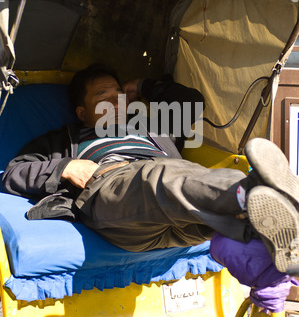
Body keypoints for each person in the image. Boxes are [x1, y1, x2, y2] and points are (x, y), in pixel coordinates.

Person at [3, 64, 299, 276]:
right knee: (156, 177)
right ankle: (252, 193)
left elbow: (190, 103)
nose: (114, 101)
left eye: (118, 93)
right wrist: (67, 166)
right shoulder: (64, 139)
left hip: (184, 217)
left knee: (190, 190)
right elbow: (12, 173)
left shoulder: (152, 127)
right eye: (102, 96)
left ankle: (277, 232)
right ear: (82, 113)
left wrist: (143, 86)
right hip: (119, 204)